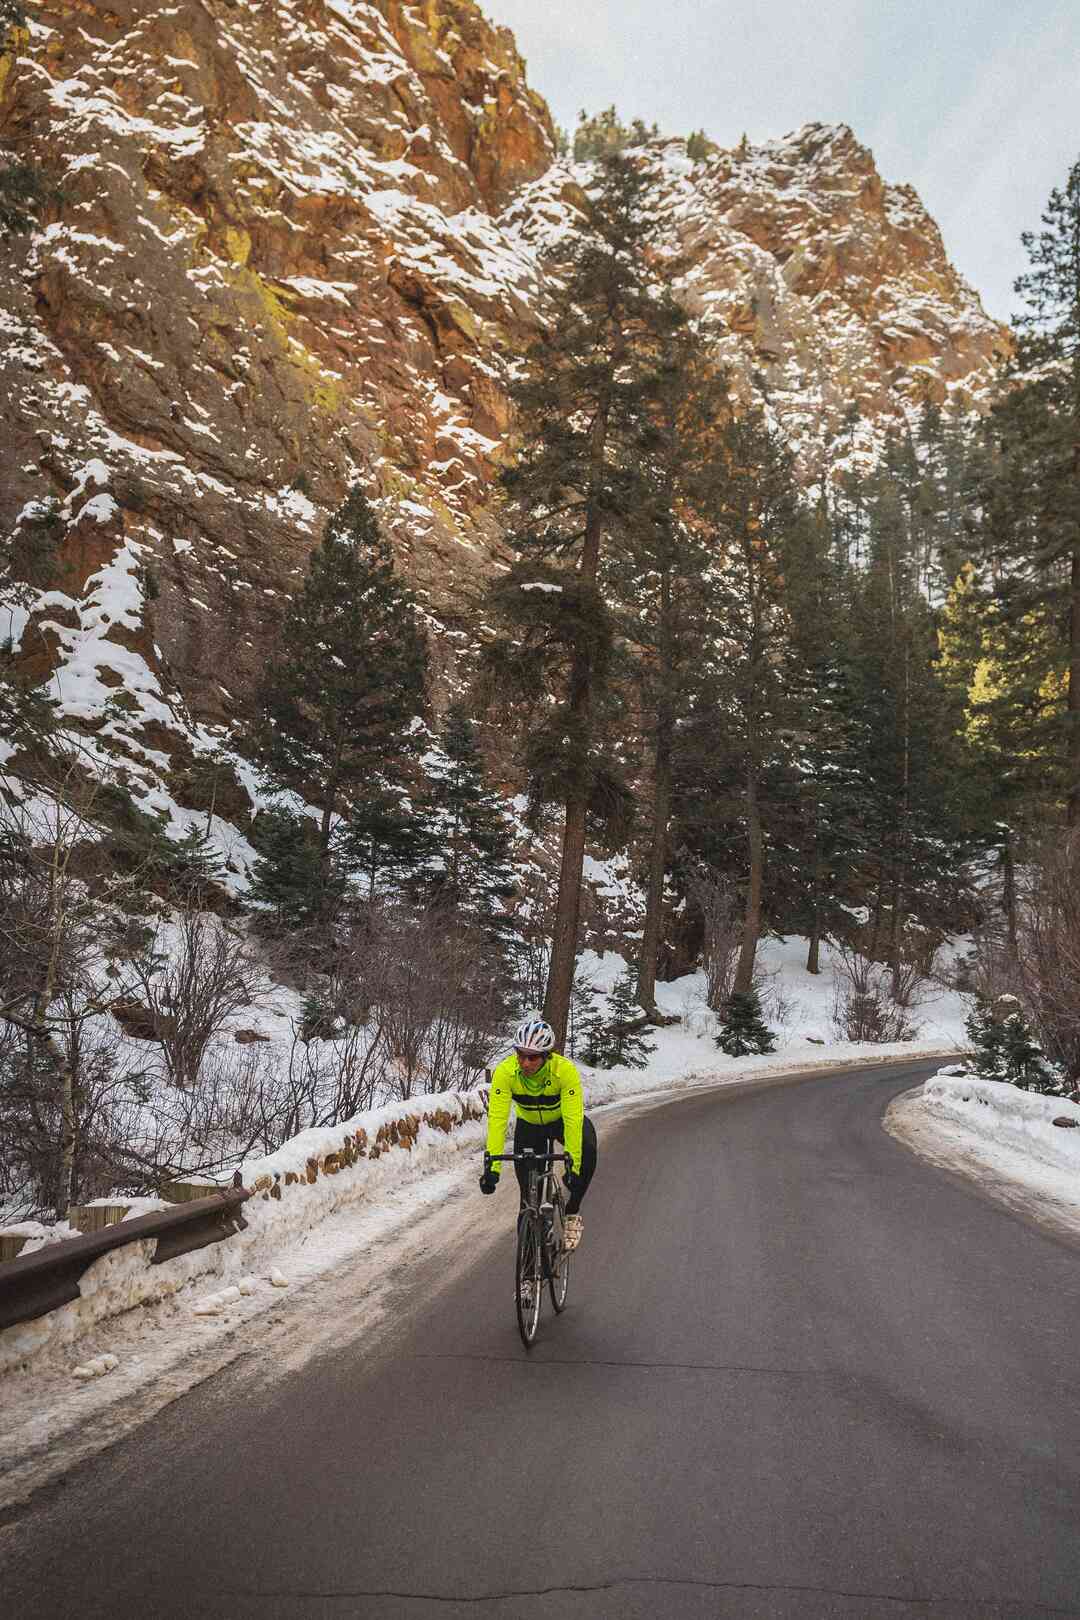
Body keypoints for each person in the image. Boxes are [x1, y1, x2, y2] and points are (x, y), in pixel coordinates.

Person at [479, 1014, 597, 1251]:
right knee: (528, 1201)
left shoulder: (564, 1071)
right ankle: (529, 1267)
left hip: (561, 1122)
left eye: (532, 1057)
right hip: (530, 1126)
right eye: (520, 1054)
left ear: (546, 1056)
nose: (525, 1062)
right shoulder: (505, 1072)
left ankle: (572, 1213)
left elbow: (573, 1120)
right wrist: (491, 1167)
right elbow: (498, 1120)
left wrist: (572, 1167)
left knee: (587, 1148)